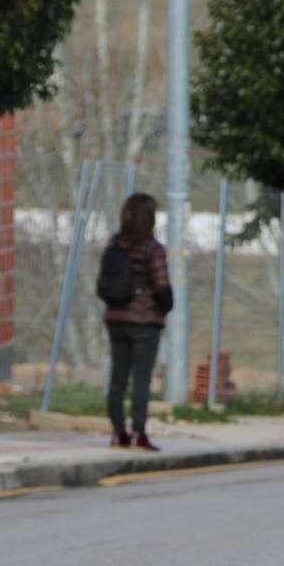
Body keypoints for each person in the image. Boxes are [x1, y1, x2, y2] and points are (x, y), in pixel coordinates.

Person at [102, 192, 172, 451]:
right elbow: (162, 287)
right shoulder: (152, 249)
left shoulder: (114, 244)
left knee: (117, 379)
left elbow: (104, 281)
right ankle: (139, 433)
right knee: (141, 379)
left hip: (115, 318)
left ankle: (118, 432)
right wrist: (164, 308)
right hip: (145, 321)